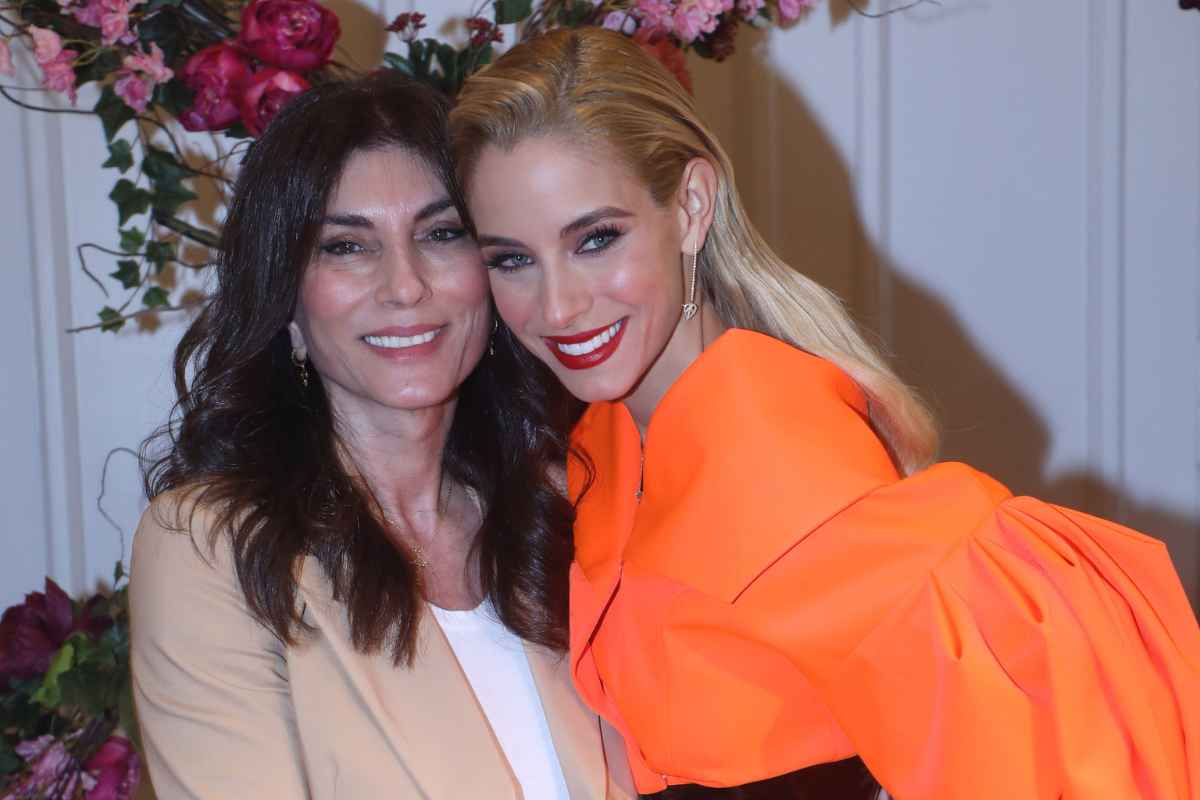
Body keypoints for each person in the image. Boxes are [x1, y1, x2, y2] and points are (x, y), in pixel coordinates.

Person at [449, 27, 1200, 800]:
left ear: (692, 206)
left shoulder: (803, 488)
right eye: (513, 259)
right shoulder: (602, 448)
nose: (558, 306)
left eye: (596, 240)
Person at [130, 72, 633, 799]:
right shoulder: (217, 549)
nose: (405, 286)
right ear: (286, 300)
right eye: (346, 246)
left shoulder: (566, 508)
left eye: (441, 234)